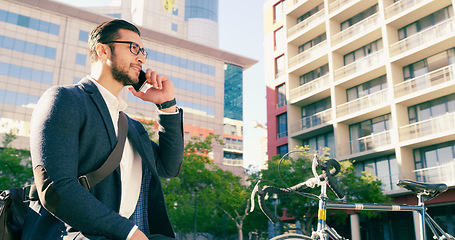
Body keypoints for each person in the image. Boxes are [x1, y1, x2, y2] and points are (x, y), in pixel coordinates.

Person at [21, 19, 184, 240]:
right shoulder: (65, 99)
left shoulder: (131, 126)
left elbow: (169, 167)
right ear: (103, 50)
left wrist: (167, 105)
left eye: (143, 51)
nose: (142, 58)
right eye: (134, 48)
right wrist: (128, 232)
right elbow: (56, 188)